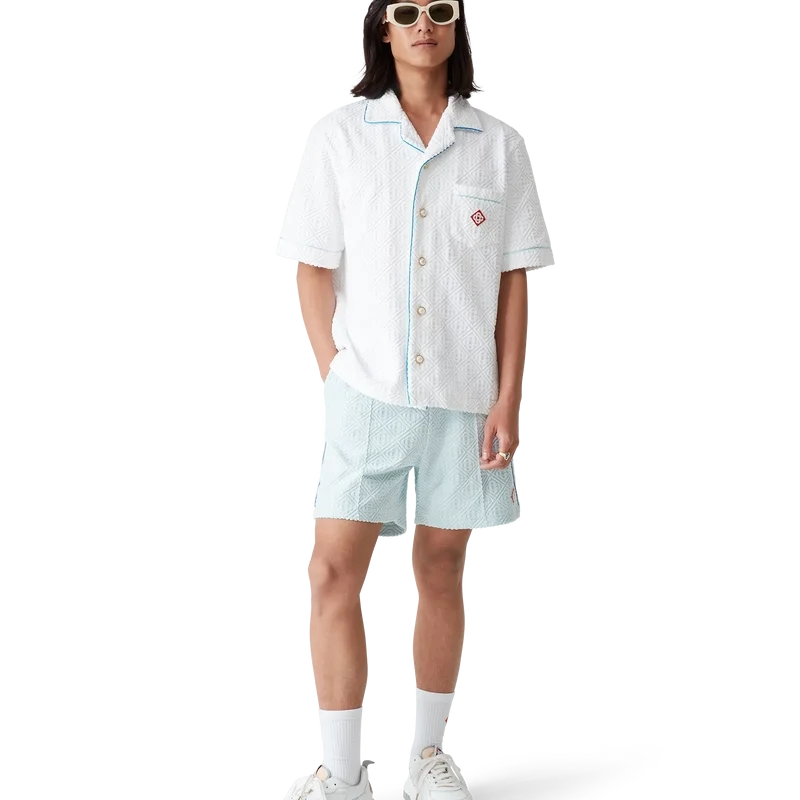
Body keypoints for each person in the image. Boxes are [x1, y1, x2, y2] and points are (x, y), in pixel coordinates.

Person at [277, 2, 550, 797]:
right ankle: (340, 768)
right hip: (365, 390)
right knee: (334, 571)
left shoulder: (499, 143)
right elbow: (309, 259)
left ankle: (428, 757)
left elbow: (513, 280)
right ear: (383, 33)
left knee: (440, 566)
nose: (423, 23)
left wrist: (507, 397)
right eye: (405, 12)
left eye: (438, 10)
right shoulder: (338, 135)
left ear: (457, 29)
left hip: (464, 396)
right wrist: (332, 364)